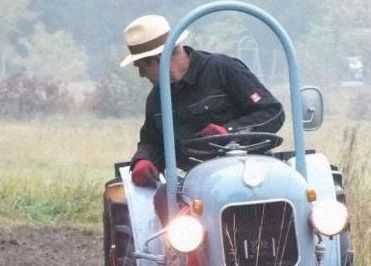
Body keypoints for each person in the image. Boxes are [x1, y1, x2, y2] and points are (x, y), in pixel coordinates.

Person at [120, 14, 285, 189]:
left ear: (158, 59)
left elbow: (272, 113)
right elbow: (152, 141)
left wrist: (228, 131)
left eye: (142, 67)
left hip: (252, 175)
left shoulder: (223, 69)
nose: (141, 74)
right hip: (196, 186)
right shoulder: (156, 100)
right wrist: (143, 160)